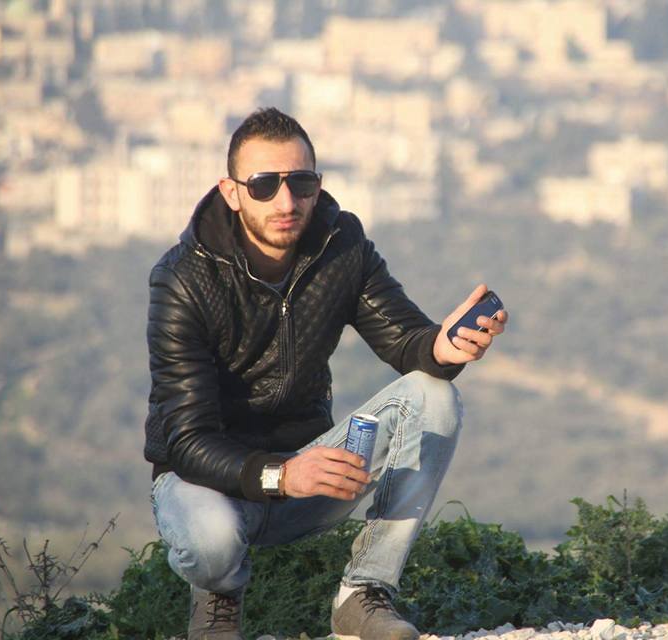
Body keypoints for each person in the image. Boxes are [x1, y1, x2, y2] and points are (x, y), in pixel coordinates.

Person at [144, 107, 508, 640]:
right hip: (205, 483)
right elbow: (186, 439)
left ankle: (363, 594)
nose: (286, 202)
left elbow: (404, 340)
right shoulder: (182, 280)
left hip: (311, 473)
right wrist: (280, 474)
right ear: (231, 192)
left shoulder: (341, 245)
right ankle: (218, 602)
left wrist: (443, 347)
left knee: (435, 397)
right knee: (213, 539)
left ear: (317, 186)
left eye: (301, 183)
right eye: (264, 185)